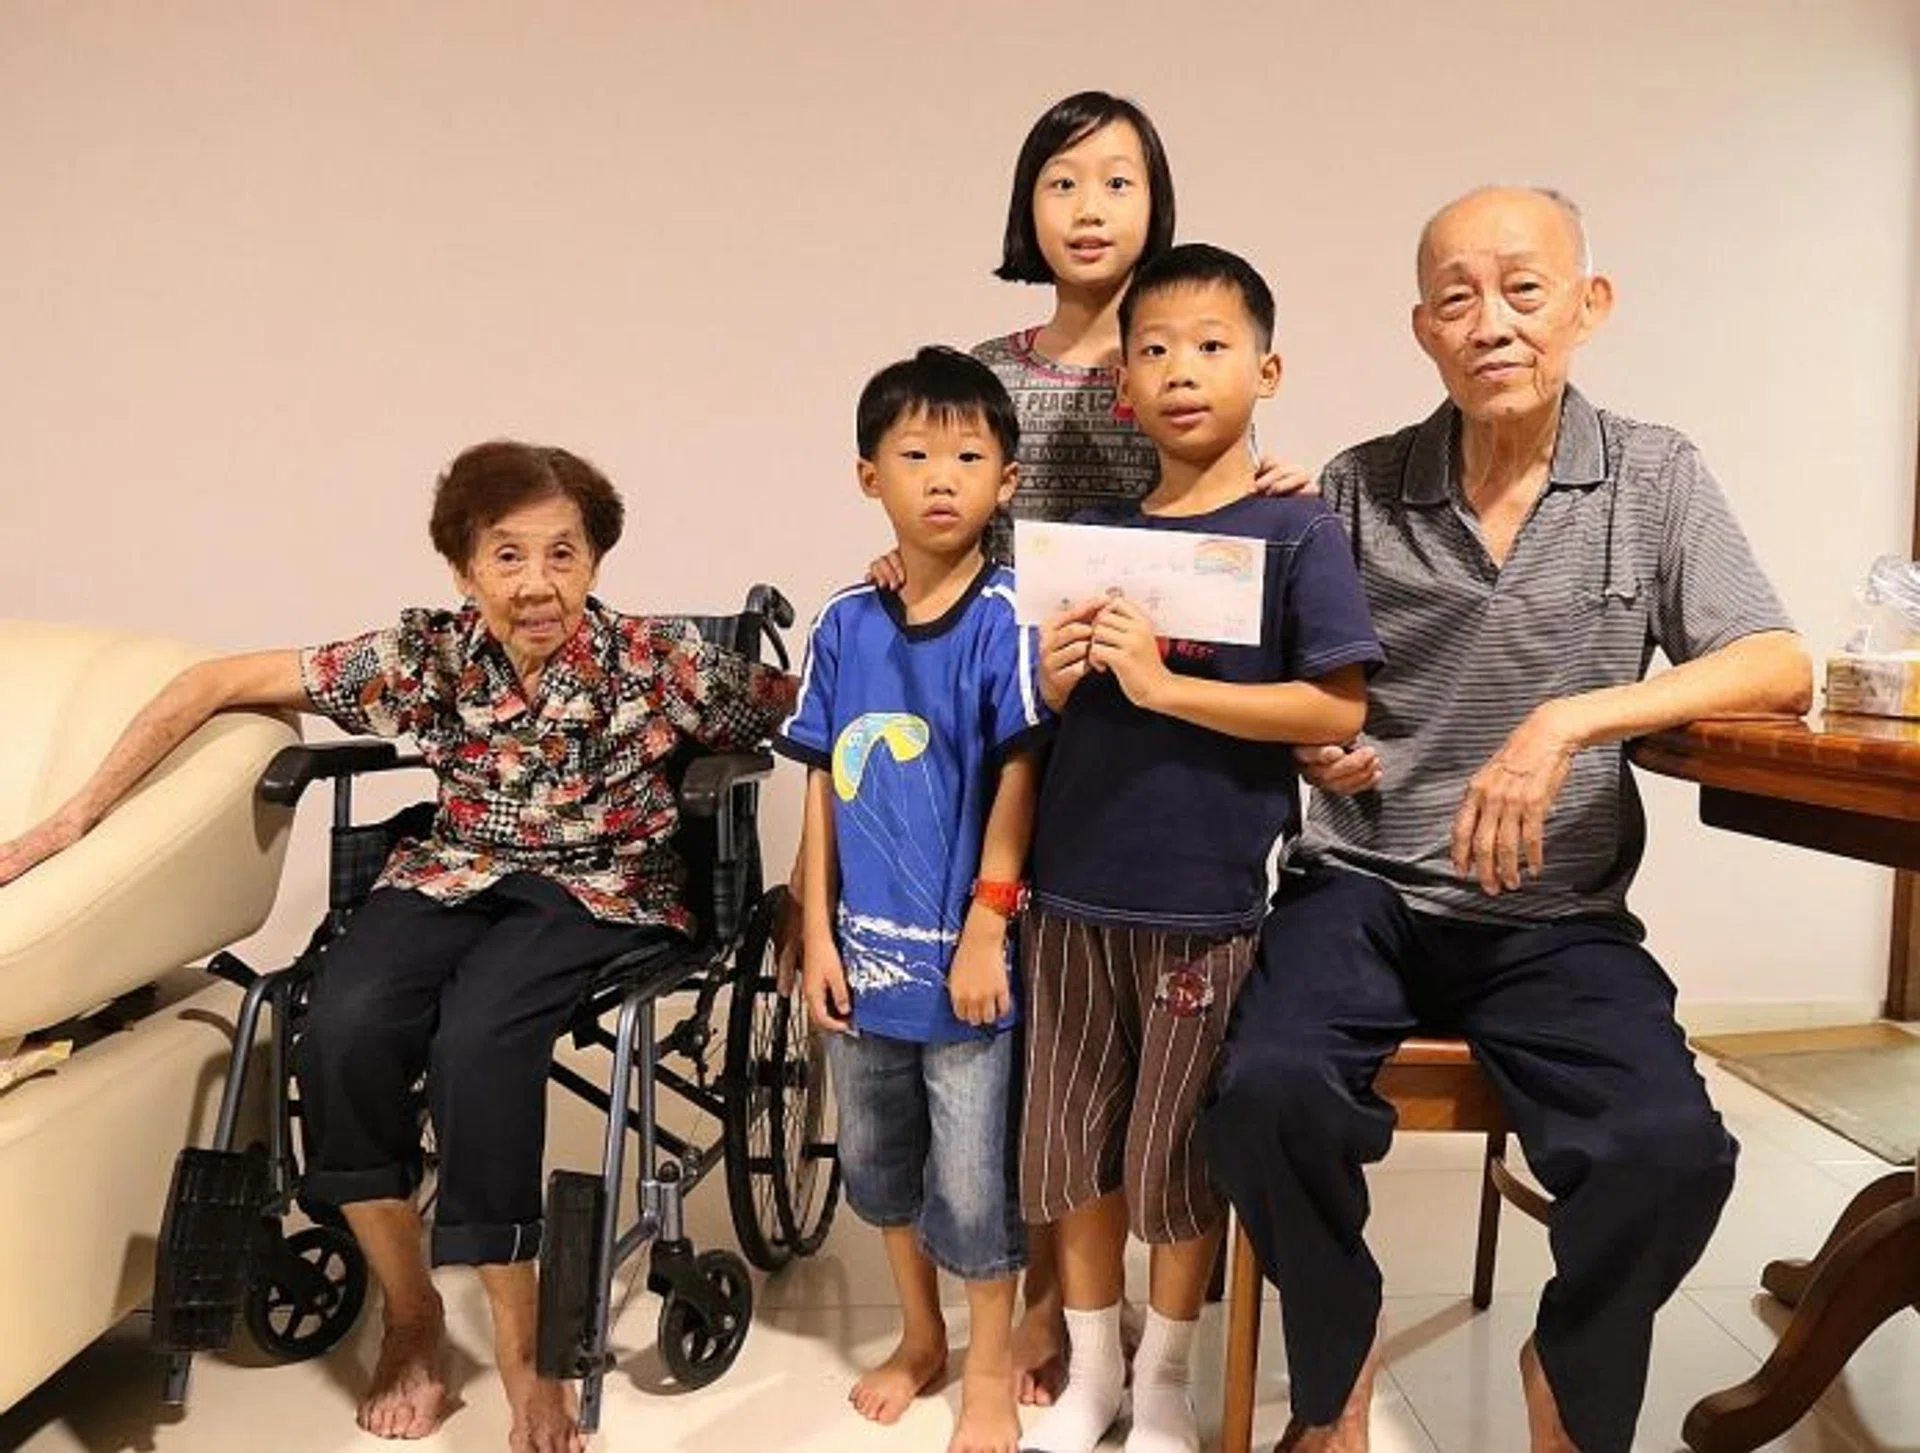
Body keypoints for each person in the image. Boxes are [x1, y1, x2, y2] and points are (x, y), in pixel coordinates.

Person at [0, 441, 796, 1453]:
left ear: (597, 559)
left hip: (600, 886)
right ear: (465, 571)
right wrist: (66, 824)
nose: (539, 584)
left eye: (564, 553)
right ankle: (413, 1313)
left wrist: (907, 613)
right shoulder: (432, 653)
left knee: (478, 1041)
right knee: (341, 1026)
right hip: (448, 870)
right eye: (508, 557)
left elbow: (815, 708)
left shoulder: (660, 655)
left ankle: (523, 1352)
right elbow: (209, 682)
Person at [1197, 186, 1814, 1453]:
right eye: (1458, 297)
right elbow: (1300, 691)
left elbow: (1775, 659)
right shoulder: (1357, 488)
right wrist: (1322, 733)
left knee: (1672, 1150)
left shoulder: (1653, 474)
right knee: (1262, 1092)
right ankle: (1339, 1344)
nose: (1493, 323)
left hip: (1556, 913)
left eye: (1524, 289)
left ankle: (1569, 1361)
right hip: (1363, 887)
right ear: (1424, 328)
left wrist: (1567, 720)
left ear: (1588, 306)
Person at [850, 89, 1312, 1406]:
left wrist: (1283, 483)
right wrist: (914, 550)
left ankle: (1084, 1312)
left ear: (1159, 202)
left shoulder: (1188, 354)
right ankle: (1051, 1292)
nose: (1091, 207)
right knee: (1044, 1033)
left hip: (1155, 734)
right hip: (1015, 703)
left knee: (1120, 1042)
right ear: (1027, 208)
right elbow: (944, 487)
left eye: (1118, 182)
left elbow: (1230, 514)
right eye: (1063, 183)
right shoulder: (991, 368)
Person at [1021, 243, 1382, 1453]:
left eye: (1213, 345)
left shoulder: (1296, 530)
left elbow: (1334, 711)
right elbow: (1032, 719)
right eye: (1155, 350)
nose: (1181, 370)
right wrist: (1060, 683)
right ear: (1120, 385)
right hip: (1070, 894)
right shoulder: (1088, 537)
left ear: (1267, 369)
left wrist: (1167, 692)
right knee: (1073, 1147)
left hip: (1207, 904)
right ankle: (1092, 1371)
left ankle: (1167, 1376)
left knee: (1177, 1157)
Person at [779, 346, 1051, 1453]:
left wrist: (989, 920)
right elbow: (820, 784)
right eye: (916, 454)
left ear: (1009, 481)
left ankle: (988, 1365)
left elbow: (1021, 774)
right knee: (879, 1169)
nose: (942, 476)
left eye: (969, 456)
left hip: (967, 968)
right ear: (867, 476)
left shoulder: (1008, 619)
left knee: (977, 1183)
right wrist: (813, 933)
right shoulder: (845, 622)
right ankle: (921, 1333)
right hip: (862, 961)